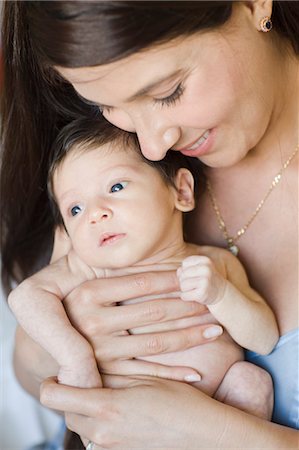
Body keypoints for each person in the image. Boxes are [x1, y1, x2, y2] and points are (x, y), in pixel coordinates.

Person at [1, 1, 298, 449]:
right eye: (104, 105)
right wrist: (46, 354)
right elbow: (35, 368)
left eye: (168, 91)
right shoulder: (99, 162)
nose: (153, 147)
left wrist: (227, 436)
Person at [9, 117, 277, 422]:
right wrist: (74, 356)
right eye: (75, 209)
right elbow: (26, 297)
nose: (95, 214)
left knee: (253, 381)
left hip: (220, 413)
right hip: (129, 421)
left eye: (116, 186)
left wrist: (220, 295)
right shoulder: (90, 269)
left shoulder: (214, 265)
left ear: (181, 191)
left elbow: (264, 339)